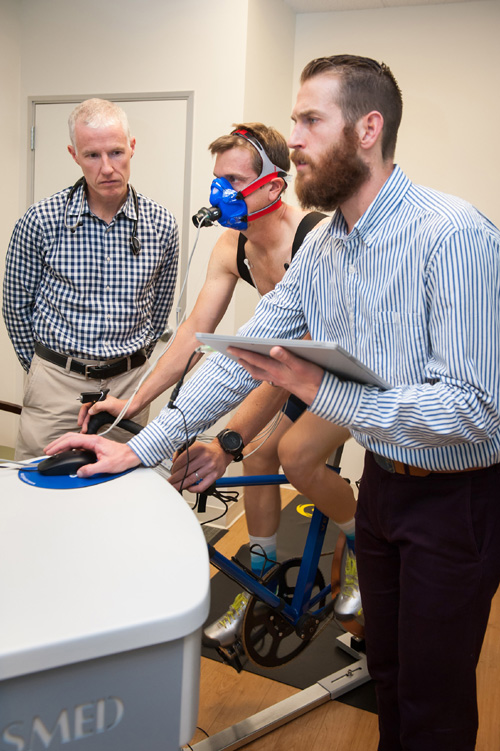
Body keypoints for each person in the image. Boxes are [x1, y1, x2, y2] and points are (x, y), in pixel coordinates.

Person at [46, 54, 500, 750]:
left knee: (432, 697)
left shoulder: (454, 234)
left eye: (310, 120)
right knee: (391, 668)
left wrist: (323, 389)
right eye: (295, 120)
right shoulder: (327, 249)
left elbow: (475, 409)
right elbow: (238, 355)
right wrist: (137, 445)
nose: (296, 140)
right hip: (383, 484)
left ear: (368, 128)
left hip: (457, 499)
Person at [76, 122, 359, 647]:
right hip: (280, 365)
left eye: (232, 180)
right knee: (257, 459)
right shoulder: (232, 244)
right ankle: (259, 583)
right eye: (216, 179)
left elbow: (288, 359)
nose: (219, 192)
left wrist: (230, 438)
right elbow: (194, 336)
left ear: (273, 185)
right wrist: (135, 400)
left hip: (334, 376)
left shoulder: (313, 240)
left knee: (290, 455)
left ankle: (361, 543)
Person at [2, 98, 179, 459]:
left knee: (120, 488)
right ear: (74, 155)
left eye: (116, 152)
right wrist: (43, 367)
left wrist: (135, 362)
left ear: (132, 146)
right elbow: (15, 306)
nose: (107, 168)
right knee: (39, 485)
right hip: (56, 381)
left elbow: (159, 308)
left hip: (128, 383)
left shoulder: (161, 225)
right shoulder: (41, 220)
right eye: (92, 156)